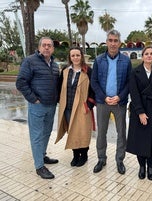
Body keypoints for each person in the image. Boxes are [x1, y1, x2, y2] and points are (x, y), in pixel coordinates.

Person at [16, 37, 59, 179]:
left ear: (52, 48)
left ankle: (42, 156)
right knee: (37, 136)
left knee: (46, 133)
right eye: (44, 45)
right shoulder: (30, 61)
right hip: (37, 107)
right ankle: (39, 166)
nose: (47, 48)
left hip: (51, 105)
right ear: (39, 47)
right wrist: (33, 99)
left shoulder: (54, 64)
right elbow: (21, 82)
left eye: (49, 45)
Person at [91, 29, 132, 174]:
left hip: (119, 103)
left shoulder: (126, 61)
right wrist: (103, 97)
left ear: (119, 43)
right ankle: (101, 159)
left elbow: (129, 82)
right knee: (101, 132)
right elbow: (94, 81)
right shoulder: (99, 60)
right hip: (103, 102)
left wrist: (120, 97)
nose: (113, 43)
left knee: (121, 133)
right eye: (110, 40)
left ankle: (119, 160)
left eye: (116, 41)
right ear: (106, 42)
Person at [126, 47, 152, 180]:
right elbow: (134, 93)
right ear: (142, 56)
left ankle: (151, 167)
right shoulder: (135, 72)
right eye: (146, 54)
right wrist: (140, 112)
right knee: (140, 140)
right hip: (139, 108)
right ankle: (142, 167)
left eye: (151, 54)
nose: (149, 56)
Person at [55, 46, 95, 167]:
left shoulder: (88, 71)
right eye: (73, 55)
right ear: (70, 57)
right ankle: (75, 155)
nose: (75, 57)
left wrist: (89, 105)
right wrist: (59, 101)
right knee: (72, 131)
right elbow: (59, 87)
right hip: (68, 107)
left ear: (81, 56)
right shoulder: (65, 71)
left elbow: (93, 89)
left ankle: (84, 155)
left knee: (83, 132)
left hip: (82, 108)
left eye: (78, 55)